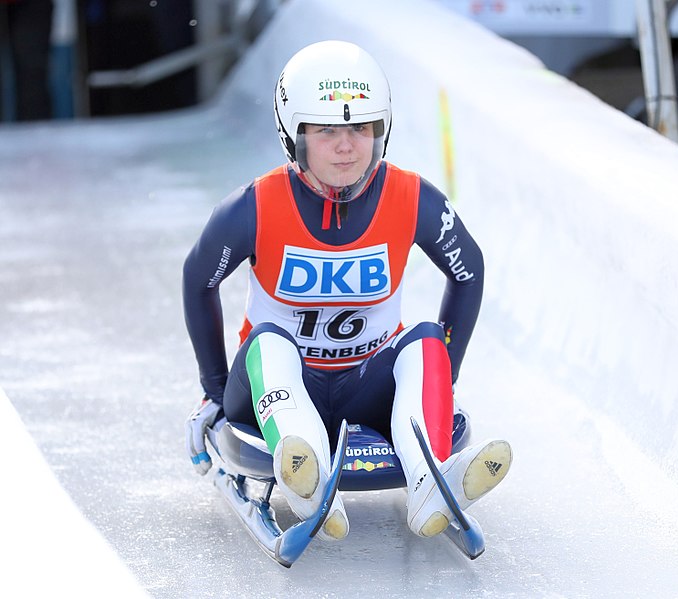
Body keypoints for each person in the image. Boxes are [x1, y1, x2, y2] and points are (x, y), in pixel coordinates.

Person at [183, 40, 512, 541]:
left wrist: (442, 384)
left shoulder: (411, 196)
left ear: (381, 131)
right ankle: (307, 473)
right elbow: (198, 280)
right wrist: (213, 387)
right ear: (294, 135)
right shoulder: (254, 206)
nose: (346, 145)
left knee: (425, 338)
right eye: (327, 130)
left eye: (360, 127)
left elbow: (469, 271)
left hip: (366, 383)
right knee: (270, 340)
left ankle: (430, 483)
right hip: (276, 388)